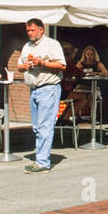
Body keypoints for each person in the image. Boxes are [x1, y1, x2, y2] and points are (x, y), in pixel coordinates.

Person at [16, 18, 66, 172]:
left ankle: (43, 162)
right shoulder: (27, 46)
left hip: (48, 88)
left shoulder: (52, 44)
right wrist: (24, 66)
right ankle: (40, 159)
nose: (29, 33)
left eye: (32, 30)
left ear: (41, 29)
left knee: (45, 126)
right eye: (28, 31)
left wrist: (42, 63)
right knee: (37, 127)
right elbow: (19, 66)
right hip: (34, 89)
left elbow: (62, 65)